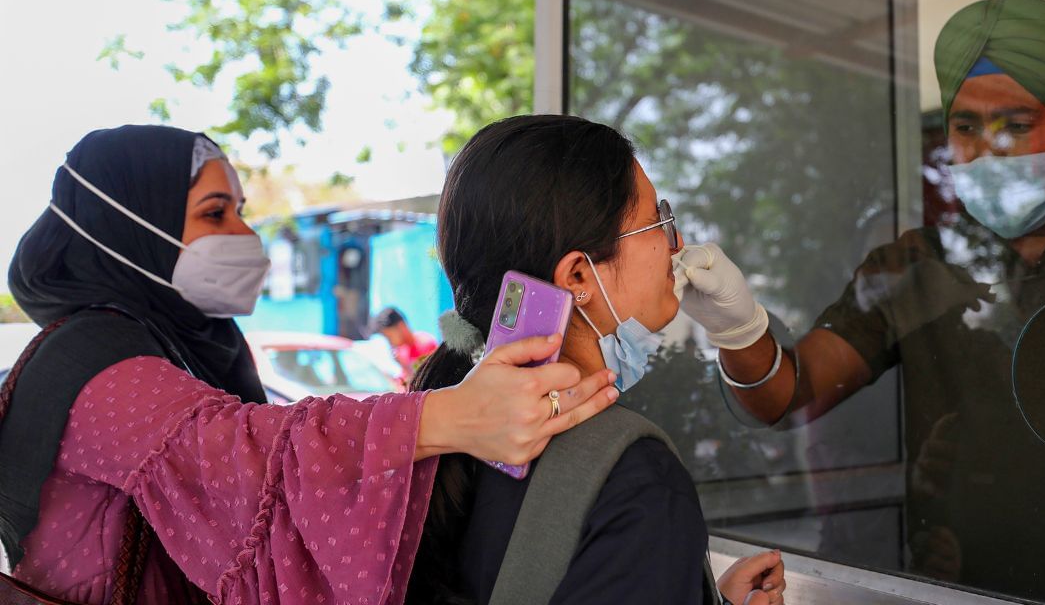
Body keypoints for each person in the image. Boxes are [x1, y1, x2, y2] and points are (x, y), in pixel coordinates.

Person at [676, 0, 1045, 604]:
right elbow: (788, 393)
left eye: (1017, 125)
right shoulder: (916, 269)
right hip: (957, 589)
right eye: (965, 127)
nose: (985, 151)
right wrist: (738, 332)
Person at [0, 125, 618, 604]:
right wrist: (445, 418)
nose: (246, 235)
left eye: (240, 211)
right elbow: (236, 455)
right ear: (127, 229)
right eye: (216, 213)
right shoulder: (96, 359)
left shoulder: (177, 346)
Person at [403, 115, 787, 605]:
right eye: (659, 221)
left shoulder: (429, 440)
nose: (678, 245)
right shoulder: (636, 480)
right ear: (579, 276)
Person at [372, 306, 439, 386]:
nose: (390, 342)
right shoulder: (401, 351)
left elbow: (426, 382)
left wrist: (405, 366)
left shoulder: (426, 344)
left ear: (401, 326)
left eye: (389, 337)